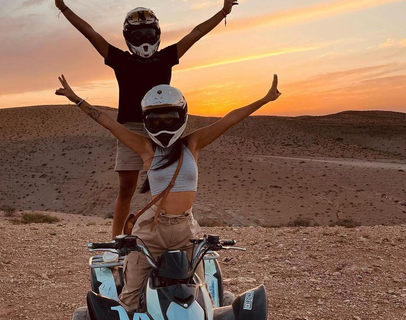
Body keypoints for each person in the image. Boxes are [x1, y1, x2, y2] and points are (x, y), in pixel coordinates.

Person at [55, 74, 282, 312]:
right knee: (130, 298)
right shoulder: (145, 147)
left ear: (181, 117)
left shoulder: (192, 144)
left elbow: (229, 119)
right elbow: (109, 123)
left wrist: (265, 100)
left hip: (186, 229)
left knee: (201, 293)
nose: (163, 126)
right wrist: (76, 99)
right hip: (152, 230)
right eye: (156, 121)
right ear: (146, 121)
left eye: (169, 119)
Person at [55, 0, 239, 238]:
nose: (144, 39)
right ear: (128, 36)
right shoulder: (121, 60)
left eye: (148, 33)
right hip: (131, 129)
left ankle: (164, 235)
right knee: (126, 188)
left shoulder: (165, 58)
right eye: (138, 34)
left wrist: (223, 12)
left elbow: (196, 33)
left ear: (157, 34)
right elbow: (90, 33)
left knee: (167, 186)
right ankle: (116, 241)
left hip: (165, 128)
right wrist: (62, 7)